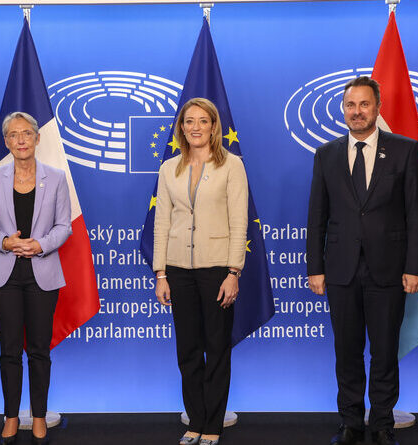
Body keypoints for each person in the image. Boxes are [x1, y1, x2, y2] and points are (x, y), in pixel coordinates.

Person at [306, 76, 418, 445]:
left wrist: (414, 266)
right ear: (343, 109)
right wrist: (315, 268)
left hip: (389, 268)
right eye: (350, 105)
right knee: (346, 350)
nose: (357, 112)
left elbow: (416, 215)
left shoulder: (405, 151)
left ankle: (381, 424)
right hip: (341, 269)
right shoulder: (326, 154)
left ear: (378, 108)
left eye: (364, 105)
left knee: (385, 351)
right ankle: (350, 423)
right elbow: (317, 216)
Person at [153, 97, 249, 445]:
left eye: (202, 121)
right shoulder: (169, 169)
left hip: (216, 270)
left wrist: (233, 271)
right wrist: (160, 273)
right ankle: (194, 421)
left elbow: (239, 222)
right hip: (178, 271)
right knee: (188, 350)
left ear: (213, 126)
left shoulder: (232, 166)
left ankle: (213, 424)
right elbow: (162, 221)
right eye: (189, 121)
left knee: (217, 348)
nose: (195, 127)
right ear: (181, 128)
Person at [0, 111, 72, 445]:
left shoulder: (56, 178)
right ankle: (10, 416)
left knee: (39, 350)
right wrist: (6, 242)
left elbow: (64, 226)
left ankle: (39, 416)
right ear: (6, 142)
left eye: (26, 133)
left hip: (42, 274)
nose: (20, 139)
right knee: (9, 350)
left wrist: (40, 244)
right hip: (5, 275)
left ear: (37, 138)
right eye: (14, 134)